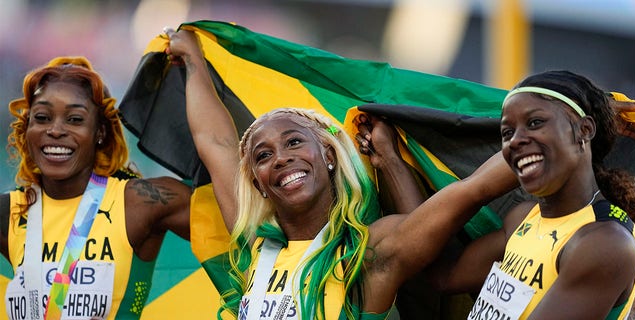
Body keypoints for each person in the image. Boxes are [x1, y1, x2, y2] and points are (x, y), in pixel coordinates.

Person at [165, 28, 519, 319]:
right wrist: (193, 58)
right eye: (263, 155)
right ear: (257, 181)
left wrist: (540, 141)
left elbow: (470, 191)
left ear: (329, 155)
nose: (281, 159)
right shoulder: (254, 247)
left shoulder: (365, 254)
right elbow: (214, 141)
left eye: (294, 142)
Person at [421, 70, 635, 319]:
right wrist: (392, 158)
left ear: (584, 130)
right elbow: (444, 276)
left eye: (535, 123)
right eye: (507, 133)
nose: (514, 141)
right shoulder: (523, 218)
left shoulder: (604, 243)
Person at [0, 57, 191, 320]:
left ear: (100, 131)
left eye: (75, 119)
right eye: (42, 117)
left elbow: (239, 222)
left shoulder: (139, 203)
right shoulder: (9, 212)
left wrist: (195, 78)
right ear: (27, 128)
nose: (55, 130)